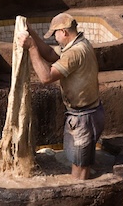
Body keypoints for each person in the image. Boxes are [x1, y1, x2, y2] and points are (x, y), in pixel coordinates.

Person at [18, 12, 105, 180]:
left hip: (83, 119)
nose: (55, 38)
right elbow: (51, 54)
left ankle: (80, 201)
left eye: (55, 34)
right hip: (88, 114)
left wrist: (32, 48)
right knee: (81, 162)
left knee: (79, 172)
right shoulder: (79, 44)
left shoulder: (75, 52)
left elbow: (46, 77)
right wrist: (31, 33)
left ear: (64, 32)